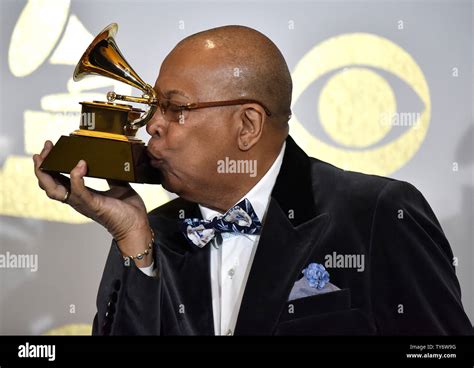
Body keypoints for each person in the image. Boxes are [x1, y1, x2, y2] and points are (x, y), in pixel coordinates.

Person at [33, 25, 472, 335]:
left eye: (175, 108)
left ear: (248, 126)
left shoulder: (377, 214)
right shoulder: (150, 231)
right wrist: (131, 235)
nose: (153, 126)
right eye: (155, 107)